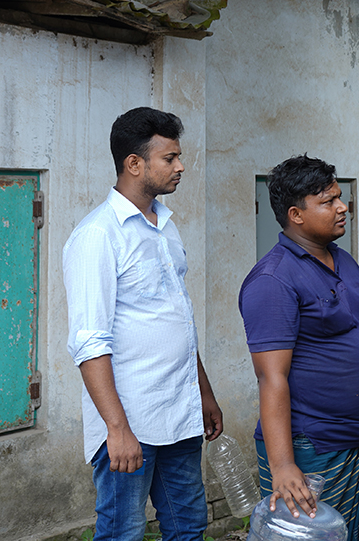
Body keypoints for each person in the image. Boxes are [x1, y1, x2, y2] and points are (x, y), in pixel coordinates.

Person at [63, 107, 223, 541]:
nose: (181, 166)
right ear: (134, 164)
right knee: (123, 532)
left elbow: (177, 317)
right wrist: (117, 429)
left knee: (189, 526)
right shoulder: (98, 236)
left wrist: (203, 392)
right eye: (169, 158)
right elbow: (89, 340)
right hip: (129, 421)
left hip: (179, 413)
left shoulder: (165, 226)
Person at [238, 155, 359, 541]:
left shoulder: (343, 261)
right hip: (315, 448)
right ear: (296, 214)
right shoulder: (273, 279)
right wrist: (283, 465)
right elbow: (272, 377)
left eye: (339, 198)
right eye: (328, 202)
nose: (341, 208)